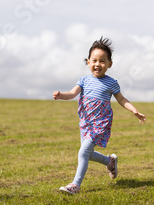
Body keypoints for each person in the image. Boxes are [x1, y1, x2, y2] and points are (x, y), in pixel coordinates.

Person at [53, 37, 146, 194]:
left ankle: (75, 185)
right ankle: (109, 161)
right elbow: (72, 93)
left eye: (102, 61)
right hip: (86, 122)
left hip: (100, 124)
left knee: (82, 153)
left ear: (109, 64)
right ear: (88, 62)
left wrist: (134, 110)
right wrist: (61, 95)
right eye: (94, 60)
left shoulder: (111, 83)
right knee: (87, 154)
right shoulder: (83, 80)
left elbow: (121, 99)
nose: (98, 64)